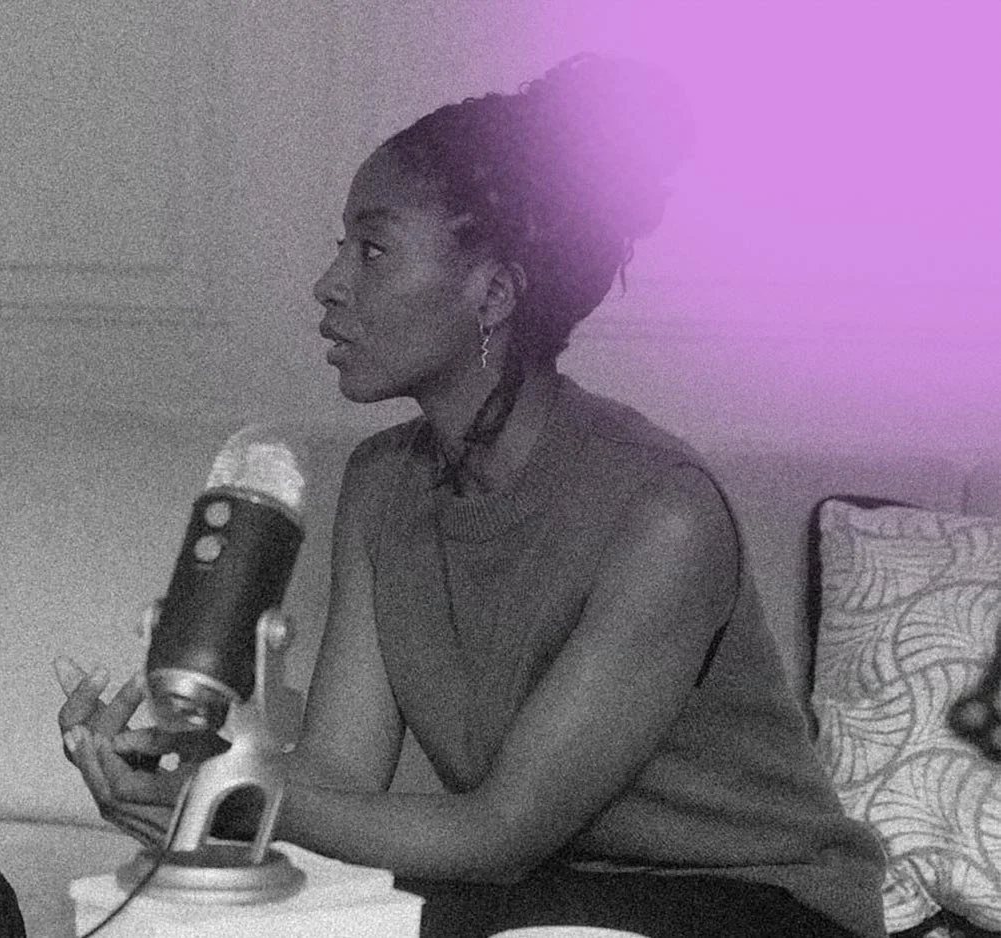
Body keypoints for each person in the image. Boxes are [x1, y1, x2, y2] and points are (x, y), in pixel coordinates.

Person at [56, 53, 887, 938]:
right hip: (545, 900)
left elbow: (498, 836)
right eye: (341, 245)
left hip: (757, 904)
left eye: (372, 250)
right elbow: (340, 770)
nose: (330, 283)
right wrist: (179, 773)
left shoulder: (663, 515)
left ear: (493, 293)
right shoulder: (381, 483)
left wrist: (225, 793)